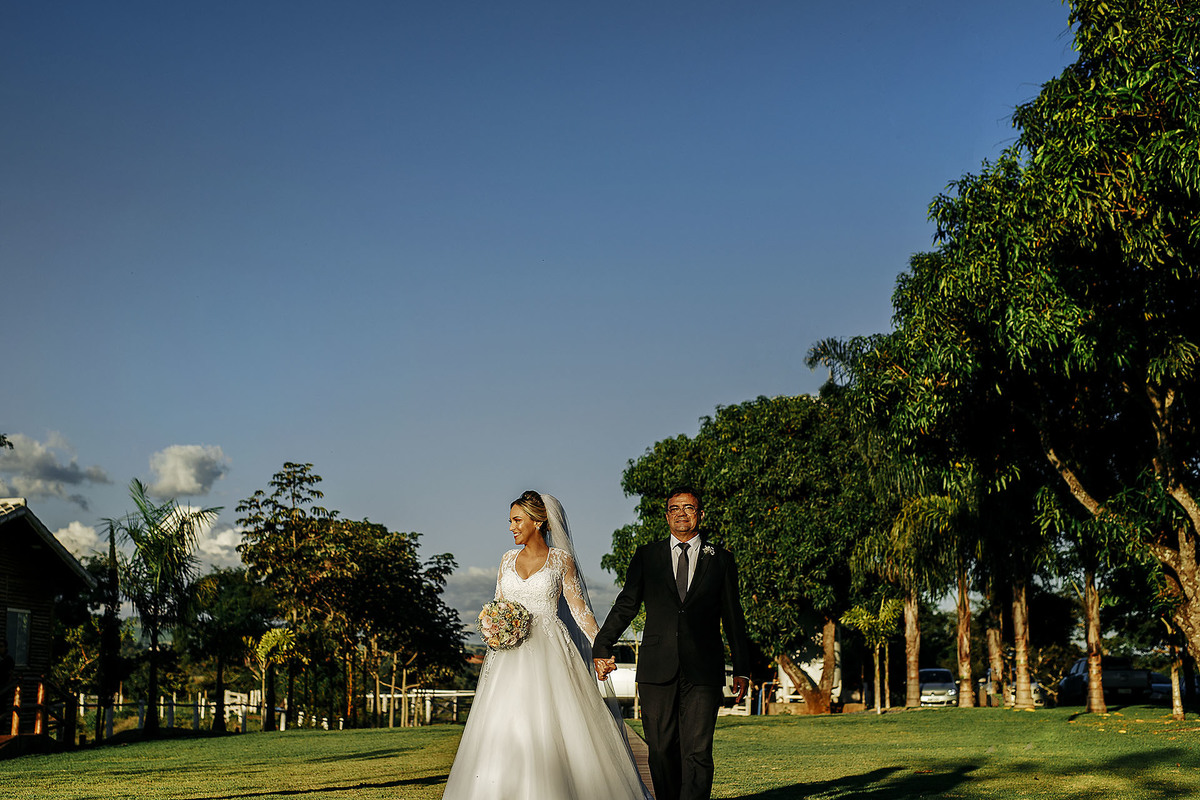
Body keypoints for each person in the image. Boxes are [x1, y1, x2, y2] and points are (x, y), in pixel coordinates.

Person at [443, 491, 651, 800]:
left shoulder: (560, 560)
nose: (511, 527)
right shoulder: (506, 560)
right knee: (506, 726)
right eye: (510, 521)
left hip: (552, 653)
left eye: (517, 520)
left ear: (538, 521)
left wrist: (601, 649)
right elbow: (499, 606)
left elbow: (581, 612)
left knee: (557, 726)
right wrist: (494, 627)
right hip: (509, 658)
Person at [592, 488, 751, 800]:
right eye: (675, 508)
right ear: (666, 515)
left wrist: (743, 667)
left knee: (698, 751)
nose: (681, 513)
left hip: (704, 670)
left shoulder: (721, 560)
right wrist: (602, 645)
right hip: (656, 667)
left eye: (689, 507)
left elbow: (734, 616)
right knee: (661, 749)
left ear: (700, 515)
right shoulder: (646, 556)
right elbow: (627, 604)